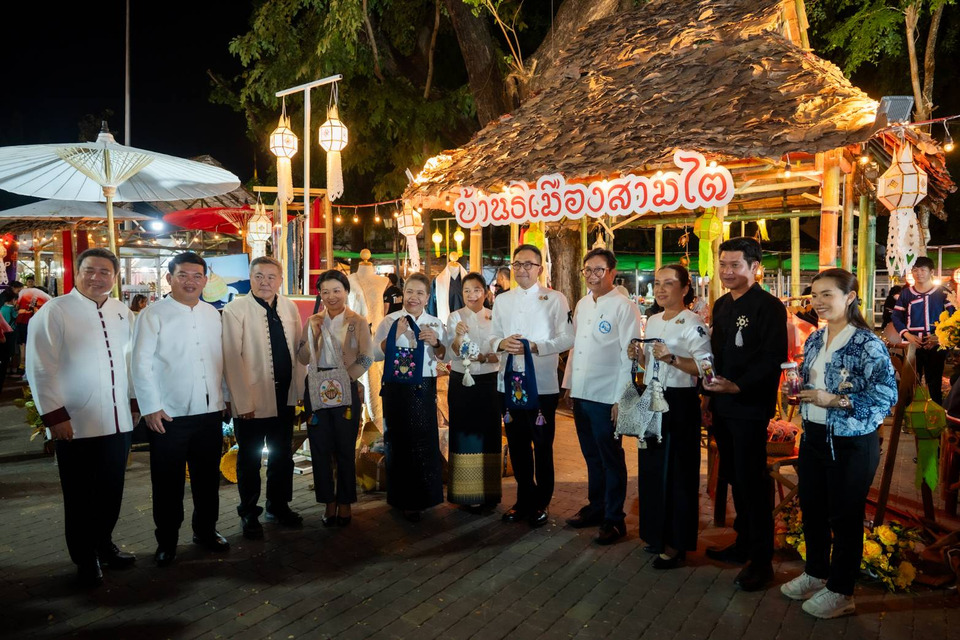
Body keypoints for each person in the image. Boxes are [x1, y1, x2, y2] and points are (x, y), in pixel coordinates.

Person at [780, 268, 897, 618]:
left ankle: (842, 591)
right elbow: (811, 384)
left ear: (850, 297)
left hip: (852, 440)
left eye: (827, 294)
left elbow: (886, 396)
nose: (818, 302)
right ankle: (816, 573)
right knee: (813, 509)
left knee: (845, 516)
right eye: (815, 295)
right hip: (814, 435)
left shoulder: (867, 343)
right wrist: (796, 391)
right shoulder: (816, 338)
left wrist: (835, 400)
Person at [26, 248, 138, 587]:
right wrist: (55, 416)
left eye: (105, 272)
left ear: (115, 277)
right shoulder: (56, 310)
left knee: (111, 490)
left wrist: (134, 404)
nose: (97, 277)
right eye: (90, 270)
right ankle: (84, 557)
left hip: (118, 421)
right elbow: (41, 367)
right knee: (79, 496)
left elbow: (131, 363)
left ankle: (104, 544)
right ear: (77, 272)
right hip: (76, 422)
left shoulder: (122, 312)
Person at [131, 252, 231, 567]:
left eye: (197, 275)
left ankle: (206, 531)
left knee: (207, 479)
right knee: (167, 483)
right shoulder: (153, 315)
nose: (190, 281)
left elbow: (220, 359)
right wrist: (150, 407)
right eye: (183, 275)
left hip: (209, 412)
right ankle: (167, 541)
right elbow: (140, 363)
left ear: (205, 279)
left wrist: (225, 397)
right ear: (169, 278)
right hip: (168, 415)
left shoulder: (212, 313)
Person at [703, 237, 787, 592]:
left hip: (750, 406)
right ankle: (744, 542)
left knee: (753, 480)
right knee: (735, 476)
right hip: (722, 404)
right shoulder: (722, 304)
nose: (727, 271)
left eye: (735, 265)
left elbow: (773, 358)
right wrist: (708, 398)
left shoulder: (769, 307)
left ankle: (762, 561)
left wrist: (737, 386)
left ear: (755, 267)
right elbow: (715, 354)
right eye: (723, 265)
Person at [628, 265, 712, 567]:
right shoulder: (652, 320)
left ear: (685, 288)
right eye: (657, 283)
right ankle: (656, 533)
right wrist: (640, 356)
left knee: (678, 473)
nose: (661, 289)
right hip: (652, 398)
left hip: (680, 402)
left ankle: (677, 543)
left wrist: (673, 358)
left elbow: (706, 369)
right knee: (651, 469)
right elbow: (651, 363)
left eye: (669, 283)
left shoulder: (693, 323)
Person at [490, 244, 574, 527]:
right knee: (517, 444)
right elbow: (492, 336)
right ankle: (523, 499)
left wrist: (536, 347)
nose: (522, 269)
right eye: (517, 264)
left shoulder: (555, 298)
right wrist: (501, 343)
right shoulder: (502, 300)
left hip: (542, 384)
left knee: (542, 444)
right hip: (509, 383)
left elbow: (567, 337)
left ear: (540, 268)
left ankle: (542, 501)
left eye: (529, 264)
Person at [222, 256, 305, 539]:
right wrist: (241, 402)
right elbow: (231, 358)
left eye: (271, 277)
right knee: (249, 459)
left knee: (282, 456)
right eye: (259, 276)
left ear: (280, 280)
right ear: (250, 277)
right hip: (251, 400)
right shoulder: (235, 309)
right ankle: (248, 512)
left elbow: (299, 350)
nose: (265, 282)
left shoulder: (289, 307)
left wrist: (299, 390)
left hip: (284, 396)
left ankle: (278, 505)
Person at [562, 249, 642, 544]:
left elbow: (629, 355)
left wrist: (622, 398)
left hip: (607, 395)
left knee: (610, 457)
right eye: (588, 270)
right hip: (582, 392)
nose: (592, 276)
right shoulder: (583, 304)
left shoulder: (624, 307)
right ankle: (596, 507)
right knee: (591, 455)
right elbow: (576, 346)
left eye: (599, 270)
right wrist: (569, 384)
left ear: (612, 272)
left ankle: (614, 518)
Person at [297, 270, 373, 527]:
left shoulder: (357, 321)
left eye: (337, 290)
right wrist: (313, 334)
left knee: (344, 448)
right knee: (320, 448)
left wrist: (347, 378)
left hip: (346, 388)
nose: (331, 296)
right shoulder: (313, 320)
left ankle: (345, 501)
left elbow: (367, 357)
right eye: (325, 291)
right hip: (316, 387)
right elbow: (302, 358)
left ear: (346, 292)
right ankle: (328, 501)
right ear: (320, 294)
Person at [375, 272, 447, 521]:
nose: (413, 297)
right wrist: (393, 336)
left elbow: (445, 356)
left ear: (427, 297)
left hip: (424, 387)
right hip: (396, 388)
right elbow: (375, 354)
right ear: (403, 293)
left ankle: (426, 497)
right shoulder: (390, 321)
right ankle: (402, 498)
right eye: (409, 292)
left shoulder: (435, 323)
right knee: (398, 442)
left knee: (424, 442)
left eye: (419, 293)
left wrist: (436, 343)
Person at [445, 272, 502, 511]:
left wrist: (487, 358)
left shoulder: (495, 317)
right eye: (467, 290)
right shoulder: (454, 317)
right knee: (463, 433)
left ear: (485, 293)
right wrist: (458, 335)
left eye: (477, 289)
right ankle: (465, 494)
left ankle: (489, 494)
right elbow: (450, 353)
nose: (472, 295)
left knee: (489, 433)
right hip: (462, 382)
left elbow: (501, 352)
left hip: (489, 382)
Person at [891, 257, 954, 405]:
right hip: (912, 344)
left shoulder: (943, 293)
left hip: (936, 344)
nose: (918, 273)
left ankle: (935, 413)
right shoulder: (906, 294)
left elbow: (953, 317)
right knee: (911, 382)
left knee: (935, 383)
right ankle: (910, 414)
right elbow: (896, 316)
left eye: (922, 270)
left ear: (931, 272)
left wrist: (940, 337)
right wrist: (907, 335)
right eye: (915, 270)